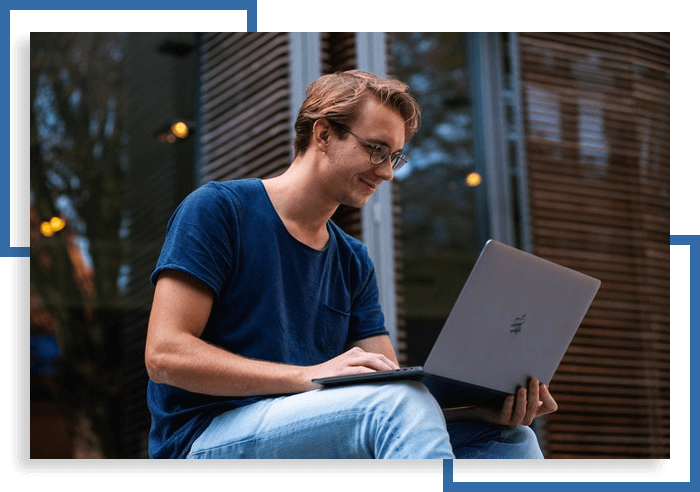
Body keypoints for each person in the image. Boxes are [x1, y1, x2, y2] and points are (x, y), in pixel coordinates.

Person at [145, 70, 557, 459]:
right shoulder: (219, 210)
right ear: (323, 134)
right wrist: (309, 376)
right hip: (204, 437)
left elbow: (394, 392)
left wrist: (475, 409)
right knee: (398, 401)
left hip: (310, 429)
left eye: (395, 157)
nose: (386, 173)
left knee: (509, 439)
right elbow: (165, 356)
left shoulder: (352, 259)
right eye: (376, 149)